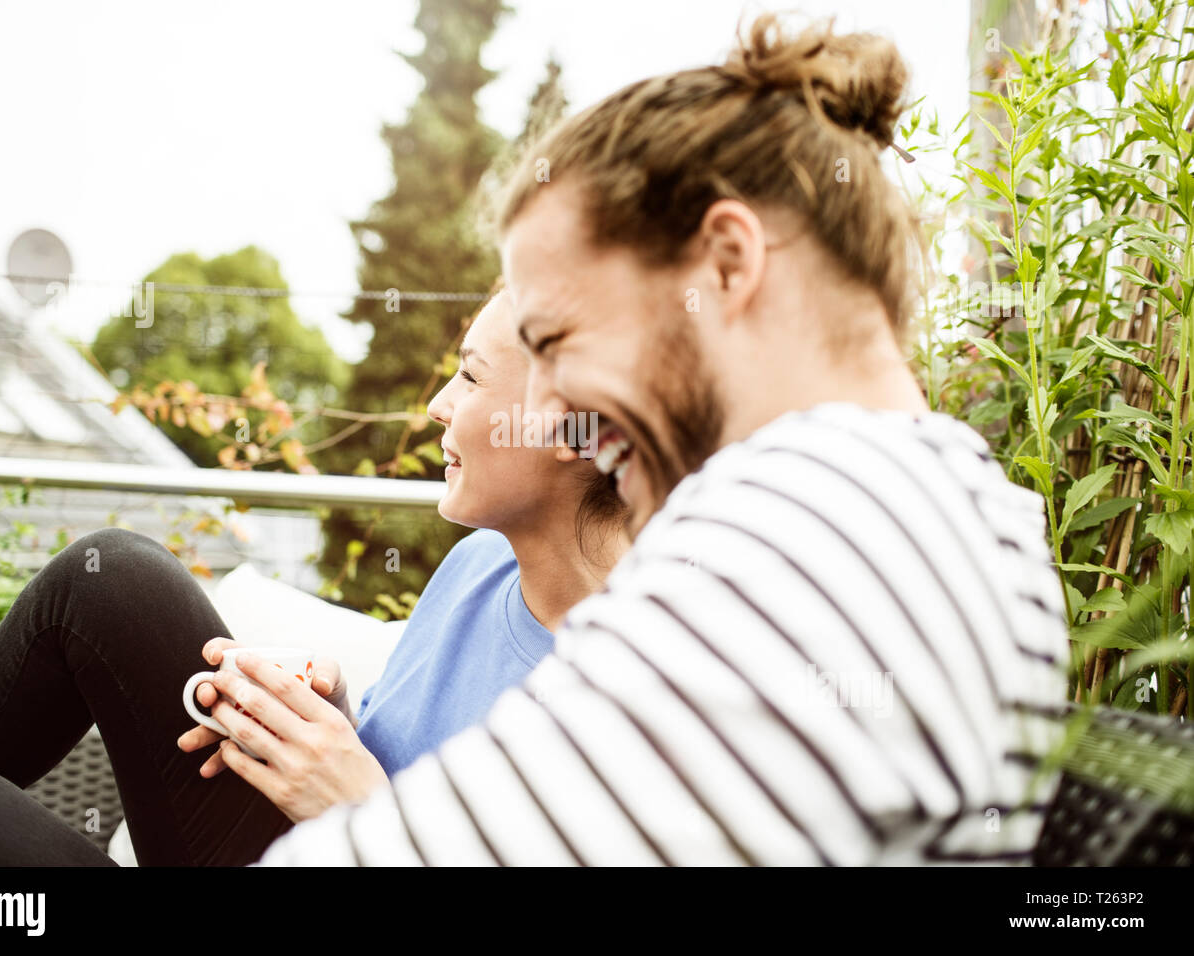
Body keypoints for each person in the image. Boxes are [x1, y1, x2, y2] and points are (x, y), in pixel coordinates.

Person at [252, 13, 1071, 865]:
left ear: (726, 265)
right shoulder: (962, 510)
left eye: (560, 339)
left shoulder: (805, 535)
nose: (548, 400)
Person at [0, 291, 627, 865]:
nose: (439, 404)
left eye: (470, 376)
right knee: (112, 580)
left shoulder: (635, 688)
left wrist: (369, 809)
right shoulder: (485, 561)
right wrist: (321, 715)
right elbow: (410, 738)